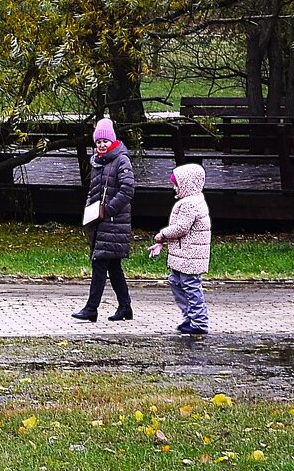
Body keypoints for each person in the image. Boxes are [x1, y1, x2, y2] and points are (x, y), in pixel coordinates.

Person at [72, 117, 135, 323]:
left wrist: (108, 210)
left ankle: (91, 308)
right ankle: (125, 307)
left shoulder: (121, 160)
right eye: (98, 141)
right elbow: (94, 191)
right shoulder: (98, 162)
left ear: (113, 140)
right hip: (100, 221)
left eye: (105, 141)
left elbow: (127, 190)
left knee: (100, 263)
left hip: (114, 221)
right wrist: (89, 212)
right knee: (113, 267)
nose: (101, 145)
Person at [150, 163, 212, 335]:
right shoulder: (191, 201)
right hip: (182, 255)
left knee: (191, 287)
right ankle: (189, 316)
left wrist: (161, 235)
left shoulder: (190, 204)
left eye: (177, 184)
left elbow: (181, 228)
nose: (174, 188)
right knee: (176, 282)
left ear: (187, 184)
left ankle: (199, 321)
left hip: (190, 256)